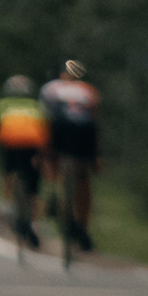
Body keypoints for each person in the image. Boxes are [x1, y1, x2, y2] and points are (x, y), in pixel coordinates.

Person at [41, 57, 101, 252]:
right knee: (83, 179)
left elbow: (43, 116)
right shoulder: (88, 89)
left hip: (59, 128)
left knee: (50, 160)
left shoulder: (50, 88)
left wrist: (43, 150)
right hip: (84, 130)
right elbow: (94, 115)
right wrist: (96, 155)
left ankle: (54, 194)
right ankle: (83, 228)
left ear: (60, 74)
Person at [0, 73, 49, 249]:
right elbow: (45, 130)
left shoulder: (1, 104)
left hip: (10, 143)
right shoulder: (37, 106)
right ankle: (33, 223)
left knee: (8, 169)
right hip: (33, 146)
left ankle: (6, 202)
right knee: (33, 187)